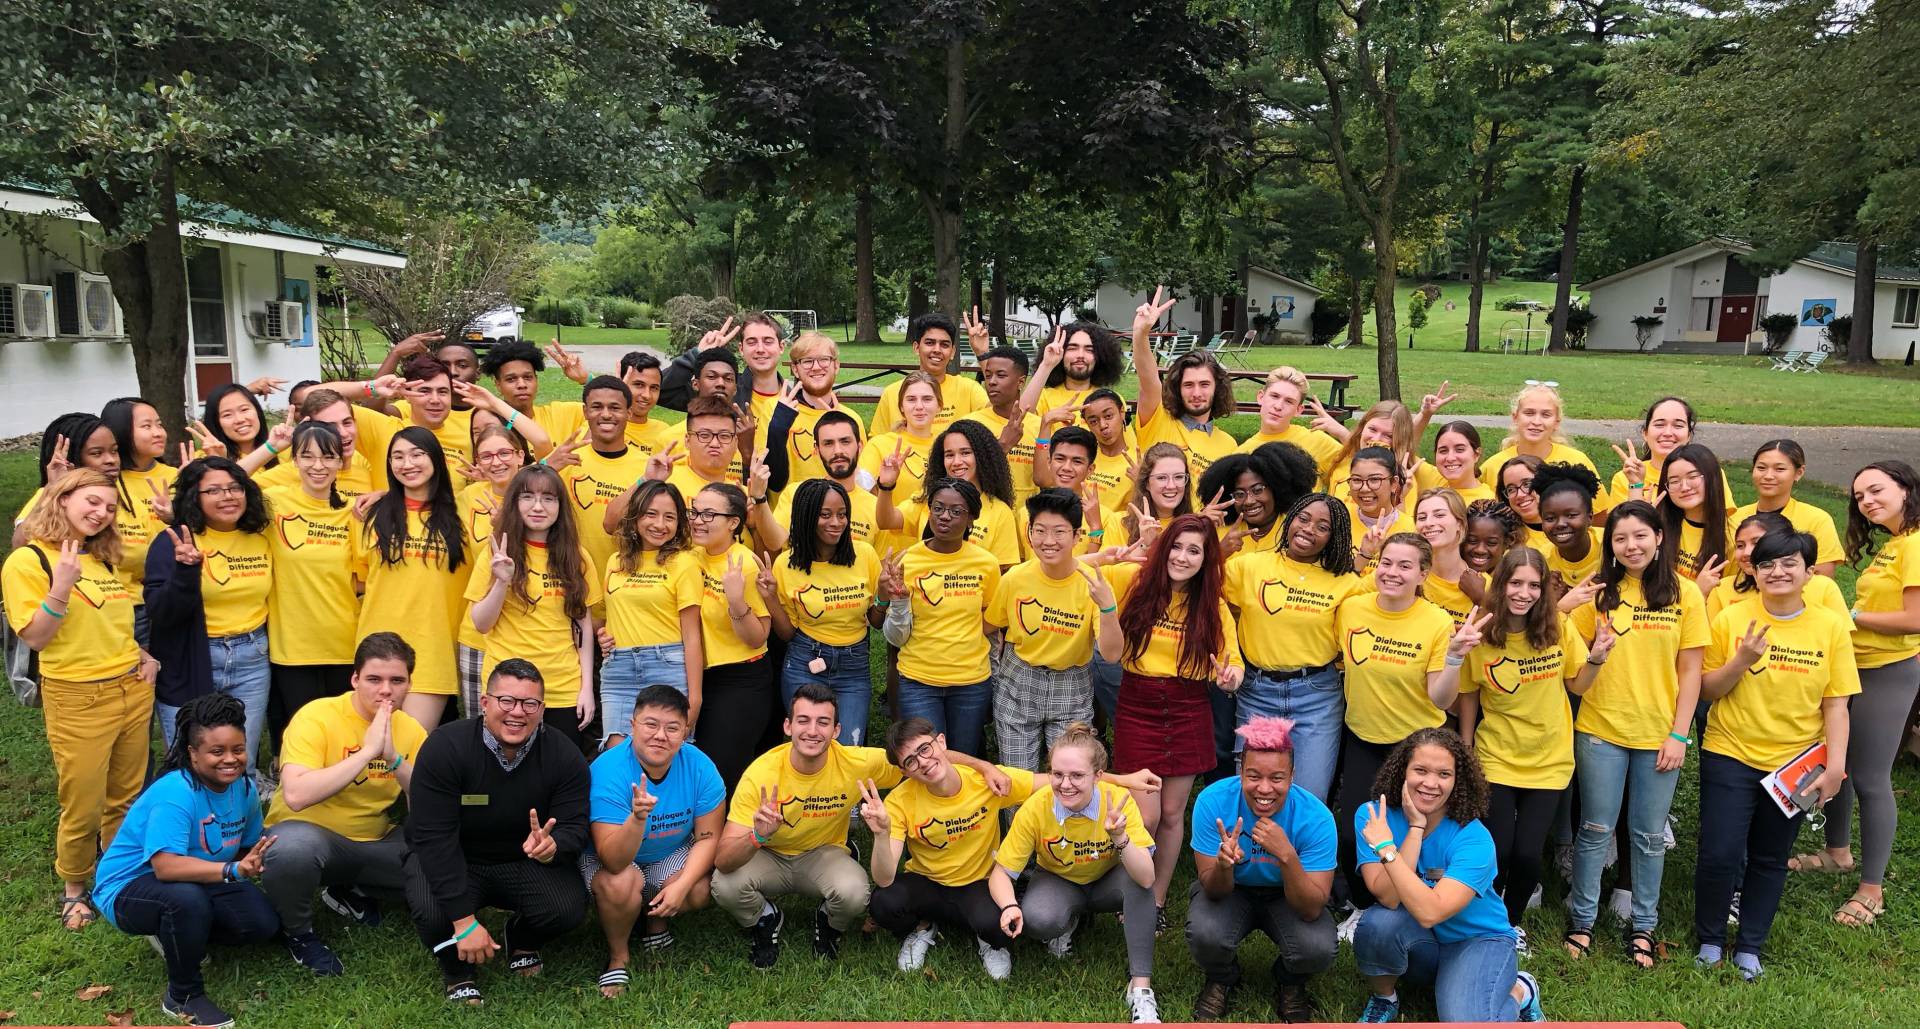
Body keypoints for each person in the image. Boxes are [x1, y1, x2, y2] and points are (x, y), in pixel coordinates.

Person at [710, 685, 991, 968]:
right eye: (803, 720)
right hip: (767, 853)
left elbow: (922, 757)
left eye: (823, 722)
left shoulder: (854, 762)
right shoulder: (760, 774)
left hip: (822, 853)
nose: (812, 731)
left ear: (836, 731)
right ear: (787, 726)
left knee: (855, 892)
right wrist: (757, 835)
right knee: (725, 884)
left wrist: (985, 768)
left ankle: (829, 922)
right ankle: (764, 918)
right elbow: (723, 859)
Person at [1694, 529, 1855, 978]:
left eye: (1789, 564)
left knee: (1769, 856)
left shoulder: (1830, 626)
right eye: (1767, 564)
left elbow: (1836, 703)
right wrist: (1741, 660)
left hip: (1794, 766)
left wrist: (1836, 767)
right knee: (1720, 852)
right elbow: (1708, 690)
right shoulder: (1731, 619)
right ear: (1755, 571)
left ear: (1809, 572)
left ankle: (1749, 946)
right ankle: (1708, 939)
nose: (1778, 572)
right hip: (1730, 751)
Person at [4, 468, 156, 930]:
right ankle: (74, 887)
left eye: (109, 507)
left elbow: (110, 623)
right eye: (91, 501)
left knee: (126, 795)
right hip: (78, 697)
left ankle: (117, 871)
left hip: (131, 688)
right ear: (62, 498)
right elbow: (37, 636)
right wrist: (61, 585)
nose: (101, 512)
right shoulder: (29, 562)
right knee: (83, 800)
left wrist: (145, 656)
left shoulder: (104, 558)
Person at [1563, 500, 1706, 968]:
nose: (1631, 546)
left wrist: (1679, 736)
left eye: (1640, 536)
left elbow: (1692, 670)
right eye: (1620, 538)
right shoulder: (1601, 594)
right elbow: (1573, 663)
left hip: (1659, 735)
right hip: (1601, 729)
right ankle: (1581, 920)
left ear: (1659, 538)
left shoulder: (1686, 594)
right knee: (1595, 829)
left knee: (1646, 835)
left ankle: (1644, 926)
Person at [402, 659, 591, 1005]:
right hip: (457, 856)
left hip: (521, 861)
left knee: (567, 908)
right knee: (433, 912)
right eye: (506, 700)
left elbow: (575, 826)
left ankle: (521, 936)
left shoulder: (564, 754)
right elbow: (432, 837)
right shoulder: (446, 748)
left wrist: (553, 845)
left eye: (529, 703)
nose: (517, 712)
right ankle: (457, 971)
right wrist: (463, 921)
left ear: (542, 709)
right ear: (485, 702)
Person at [92, 694, 279, 1029]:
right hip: (129, 886)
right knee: (184, 901)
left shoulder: (246, 788)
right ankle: (183, 994)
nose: (230, 760)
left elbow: (245, 847)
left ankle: (178, 933)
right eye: (217, 751)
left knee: (260, 924)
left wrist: (255, 860)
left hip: (197, 877)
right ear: (193, 754)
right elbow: (166, 867)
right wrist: (232, 871)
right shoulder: (176, 793)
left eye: (237, 749)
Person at [1455, 547, 1608, 947]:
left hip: (1550, 759)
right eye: (1516, 583)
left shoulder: (1556, 626)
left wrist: (1595, 660)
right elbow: (1468, 694)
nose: (1524, 593)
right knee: (1499, 851)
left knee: (1527, 855)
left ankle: (1510, 924)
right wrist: (1467, 746)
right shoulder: (1483, 633)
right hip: (1497, 756)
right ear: (1500, 585)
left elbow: (1576, 684)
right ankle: (1483, 920)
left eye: (1534, 585)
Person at [261, 632, 427, 976]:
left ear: (409, 684)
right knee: (293, 849)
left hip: (372, 842)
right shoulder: (317, 716)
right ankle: (299, 934)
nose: (385, 690)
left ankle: (349, 889)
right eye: (374, 679)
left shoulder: (411, 730)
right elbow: (296, 794)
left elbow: (425, 805)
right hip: (307, 836)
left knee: (439, 857)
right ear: (354, 679)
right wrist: (367, 752)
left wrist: (393, 758)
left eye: (397, 680)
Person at [1352, 728, 1544, 1024]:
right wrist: (1415, 830)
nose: (1430, 783)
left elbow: (1431, 912)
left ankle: (1521, 990)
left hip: (1476, 939)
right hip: (1420, 936)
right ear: (1403, 770)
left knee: (1468, 1021)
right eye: (1420, 770)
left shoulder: (1475, 838)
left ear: (1458, 781)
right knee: (1377, 924)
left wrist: (1388, 848)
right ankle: (1384, 997)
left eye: (1444, 774)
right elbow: (1389, 898)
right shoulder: (1373, 816)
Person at [1799, 460, 1920, 928]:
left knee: (1870, 778)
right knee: (1842, 766)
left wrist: (1852, 617)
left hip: (1888, 671)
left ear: (1906, 488)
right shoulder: (1895, 544)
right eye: (1860, 496)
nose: (1866, 501)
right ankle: (1838, 852)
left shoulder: (1914, 543)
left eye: (1876, 491)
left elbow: (1914, 618)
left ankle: (1872, 889)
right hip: (1858, 666)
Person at [1105, 514, 1244, 917]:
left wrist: (1230, 677)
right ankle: (1128, 888)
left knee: (1170, 813)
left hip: (1187, 706)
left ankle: (1158, 899)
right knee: (1144, 814)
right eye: (1177, 546)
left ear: (1206, 559)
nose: (1183, 557)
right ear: (1164, 547)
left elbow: (1234, 670)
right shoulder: (1132, 583)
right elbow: (1073, 570)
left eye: (1194, 551)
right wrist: (1105, 553)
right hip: (1138, 701)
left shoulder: (1212, 606)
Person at [990, 724, 1159, 1021]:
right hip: (1059, 879)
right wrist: (1008, 906)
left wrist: (1121, 837)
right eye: (1057, 774)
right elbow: (1002, 873)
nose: (1065, 784)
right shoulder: (1035, 807)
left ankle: (1141, 989)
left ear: (1098, 776)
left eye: (1077, 775)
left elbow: (1147, 877)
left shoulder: (1117, 800)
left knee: (1139, 884)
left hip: (1109, 880)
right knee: (1039, 919)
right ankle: (1069, 920)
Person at [1332, 532, 1455, 918]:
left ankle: (1417, 899)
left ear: (1423, 574)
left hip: (1415, 746)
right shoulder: (1351, 609)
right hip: (1362, 737)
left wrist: (1455, 660)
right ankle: (1362, 905)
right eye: (1386, 563)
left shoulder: (1436, 621)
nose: (1392, 573)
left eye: (1405, 566)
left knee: (1414, 828)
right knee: (1353, 832)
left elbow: (1441, 699)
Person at [1185, 718, 1338, 1023]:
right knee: (1205, 932)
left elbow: (1310, 909)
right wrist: (1223, 865)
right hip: (1233, 891)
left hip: (1287, 893)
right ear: (1240, 772)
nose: (1264, 789)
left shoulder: (1316, 817)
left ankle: (1290, 980)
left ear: (1293, 776)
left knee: (1318, 946)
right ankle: (1223, 976)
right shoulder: (1212, 801)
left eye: (1277, 778)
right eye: (1253, 776)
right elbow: (1213, 890)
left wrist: (1288, 856)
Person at [862, 718, 1034, 981]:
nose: (922, 762)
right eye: (910, 761)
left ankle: (988, 941)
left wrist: (1112, 783)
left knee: (1000, 927)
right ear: (905, 772)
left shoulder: (985, 780)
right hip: (927, 882)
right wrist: (882, 834)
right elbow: (884, 878)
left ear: (941, 742)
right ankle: (923, 927)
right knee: (884, 903)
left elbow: (1053, 784)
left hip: (978, 883)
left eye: (924, 749)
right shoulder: (899, 800)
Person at [584, 685, 726, 997]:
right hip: (617, 857)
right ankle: (618, 955)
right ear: (632, 726)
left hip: (668, 851)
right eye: (650, 724)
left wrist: (682, 884)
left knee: (699, 889)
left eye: (672, 727)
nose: (660, 735)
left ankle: (653, 923)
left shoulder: (700, 766)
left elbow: (708, 836)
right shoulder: (607, 770)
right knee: (621, 882)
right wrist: (636, 819)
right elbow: (613, 859)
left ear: (686, 732)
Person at [1221, 493, 1362, 804]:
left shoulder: (1348, 583)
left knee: (1309, 796)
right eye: (1304, 518)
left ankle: (1300, 853)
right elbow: (1208, 598)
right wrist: (1217, 551)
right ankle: (1248, 853)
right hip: (1257, 691)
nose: (1309, 529)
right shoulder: (1248, 567)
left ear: (1333, 537)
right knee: (1254, 793)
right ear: (1290, 519)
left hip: (1316, 696)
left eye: (1323, 526)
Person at [984, 488, 1123, 770]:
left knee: (1070, 776)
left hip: (1071, 686)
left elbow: (1111, 654)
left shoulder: (1092, 582)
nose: (1049, 541)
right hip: (1019, 680)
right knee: (1017, 778)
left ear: (1077, 536)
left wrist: (1108, 608)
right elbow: (990, 623)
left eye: (1059, 532)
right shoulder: (1015, 578)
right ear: (1029, 532)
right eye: (1040, 530)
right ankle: (1019, 818)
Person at [147, 457, 274, 766]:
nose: (228, 496)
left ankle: (237, 812)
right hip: (193, 657)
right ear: (194, 497)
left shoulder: (261, 536)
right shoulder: (173, 541)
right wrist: (185, 571)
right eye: (214, 490)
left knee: (239, 757)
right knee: (190, 761)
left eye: (235, 487)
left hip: (252, 657)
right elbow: (161, 611)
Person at [468, 465, 601, 752]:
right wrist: (501, 582)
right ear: (514, 503)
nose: (538, 507)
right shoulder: (495, 553)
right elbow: (480, 623)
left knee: (558, 775)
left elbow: (582, 625)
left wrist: (586, 688)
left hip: (562, 687)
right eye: (528, 497)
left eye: (549, 498)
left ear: (560, 506)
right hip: (507, 689)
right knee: (502, 771)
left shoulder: (577, 557)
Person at [354, 427, 469, 728]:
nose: (408, 464)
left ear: (436, 459)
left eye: (418, 454)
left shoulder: (464, 515)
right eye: (398, 457)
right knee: (374, 755)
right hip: (377, 650)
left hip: (433, 650)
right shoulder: (371, 514)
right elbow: (360, 580)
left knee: (410, 748)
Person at [884, 478, 1004, 756]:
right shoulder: (908, 561)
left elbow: (992, 619)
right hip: (918, 679)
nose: (945, 517)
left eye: (955, 511)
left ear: (972, 517)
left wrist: (967, 634)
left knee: (963, 756)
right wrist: (897, 600)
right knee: (927, 757)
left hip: (971, 682)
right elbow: (894, 634)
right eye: (938, 508)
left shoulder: (986, 564)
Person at [263, 422, 364, 750]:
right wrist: (268, 448)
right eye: (307, 456)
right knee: (300, 730)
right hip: (293, 644)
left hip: (343, 639)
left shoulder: (353, 511)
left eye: (327, 457)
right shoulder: (273, 503)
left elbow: (363, 578)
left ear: (341, 462)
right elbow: (221, 483)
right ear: (293, 460)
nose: (317, 466)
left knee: (342, 730)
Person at [763, 479, 883, 744]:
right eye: (825, 515)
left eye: (842, 515)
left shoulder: (865, 555)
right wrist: (771, 597)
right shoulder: (786, 565)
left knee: (850, 747)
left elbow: (876, 622)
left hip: (854, 665)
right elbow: (786, 633)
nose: (836, 522)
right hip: (805, 660)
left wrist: (884, 596)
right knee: (808, 743)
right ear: (806, 517)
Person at [600, 480, 703, 744]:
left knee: (665, 753)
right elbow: (610, 614)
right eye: (651, 514)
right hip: (618, 670)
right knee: (617, 758)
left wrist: (695, 698)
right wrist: (603, 634)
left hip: (667, 667)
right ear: (635, 517)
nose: (660, 524)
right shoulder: (615, 562)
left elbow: (691, 636)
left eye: (670, 517)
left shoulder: (684, 563)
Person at [687, 483, 775, 787]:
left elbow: (759, 636)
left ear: (733, 523)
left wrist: (737, 601)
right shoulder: (692, 556)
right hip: (698, 675)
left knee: (720, 771)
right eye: (695, 512)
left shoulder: (744, 563)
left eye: (710, 514)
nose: (698, 520)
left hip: (740, 679)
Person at [879, 419, 1024, 568]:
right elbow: (886, 521)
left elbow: (1000, 574)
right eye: (949, 455)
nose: (956, 462)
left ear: (982, 456)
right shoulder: (928, 498)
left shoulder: (1000, 512)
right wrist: (886, 486)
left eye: (965, 453)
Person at [1129, 287, 1236, 477]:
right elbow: (1148, 378)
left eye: (1204, 384)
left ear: (1217, 388)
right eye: (1188, 385)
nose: (1196, 393)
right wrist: (1140, 333)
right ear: (1178, 389)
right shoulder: (1158, 418)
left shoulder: (1228, 445)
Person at [556, 375, 652, 577]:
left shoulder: (647, 468)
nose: (606, 414)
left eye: (615, 408)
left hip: (626, 586)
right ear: (585, 411)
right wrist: (547, 465)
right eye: (597, 407)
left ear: (628, 412)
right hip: (574, 585)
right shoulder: (566, 461)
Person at [101, 397, 178, 629]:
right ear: (121, 432)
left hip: (173, 597)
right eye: (147, 426)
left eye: (160, 424)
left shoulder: (176, 475)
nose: (158, 432)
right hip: (126, 605)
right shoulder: (103, 481)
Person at [762, 332, 865, 488]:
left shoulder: (850, 418)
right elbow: (768, 478)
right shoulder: (775, 409)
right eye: (807, 361)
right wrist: (778, 428)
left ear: (836, 366)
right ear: (795, 369)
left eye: (824, 359)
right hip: (789, 509)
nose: (816, 367)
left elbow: (860, 480)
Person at [765, 410, 879, 548]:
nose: (838, 450)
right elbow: (774, 542)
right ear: (817, 450)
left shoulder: (876, 509)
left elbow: (880, 564)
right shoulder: (796, 493)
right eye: (828, 443)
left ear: (859, 447)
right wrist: (759, 499)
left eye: (845, 441)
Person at [1707, 512, 1849, 621]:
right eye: (1740, 546)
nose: (1746, 552)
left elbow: (1840, 643)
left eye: (1757, 543)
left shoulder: (1824, 588)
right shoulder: (1721, 589)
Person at [245, 388, 382, 500]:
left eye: (347, 423)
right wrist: (271, 448)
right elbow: (229, 484)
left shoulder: (366, 468)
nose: (344, 433)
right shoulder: (297, 472)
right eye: (330, 426)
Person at [1732, 439, 1842, 576]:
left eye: (1779, 469)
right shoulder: (1733, 518)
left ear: (1799, 473)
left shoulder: (1817, 520)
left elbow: (1822, 580)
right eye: (1761, 468)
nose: (1768, 476)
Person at [857, 372, 941, 548]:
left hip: (933, 552)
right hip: (888, 551)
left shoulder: (947, 447)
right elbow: (859, 494)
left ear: (939, 405)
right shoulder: (880, 445)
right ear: (901, 406)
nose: (919, 406)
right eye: (911, 399)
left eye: (927, 399)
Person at [1608, 395, 1735, 510]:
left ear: (1689, 435)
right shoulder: (1625, 478)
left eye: (1678, 426)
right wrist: (1636, 487)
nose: (1668, 433)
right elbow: (1622, 530)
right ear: (1645, 433)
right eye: (1659, 425)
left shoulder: (1708, 472)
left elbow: (1725, 523)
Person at [870, 313, 988, 432]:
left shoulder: (968, 389)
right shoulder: (892, 393)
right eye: (930, 343)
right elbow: (876, 441)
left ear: (952, 352)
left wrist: (982, 353)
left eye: (944, 345)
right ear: (916, 348)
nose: (937, 350)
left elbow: (999, 415)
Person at [1198, 442, 1320, 557]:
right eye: (1239, 494)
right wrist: (1220, 552)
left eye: (1257, 490)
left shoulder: (1296, 530)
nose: (1248, 501)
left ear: (1276, 488)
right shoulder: (1217, 530)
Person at [958, 343, 1042, 502]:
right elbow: (962, 477)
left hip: (1029, 517)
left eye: (1001, 375)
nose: (991, 382)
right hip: (986, 513)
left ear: (1021, 382)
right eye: (988, 375)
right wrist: (1002, 445)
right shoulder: (969, 425)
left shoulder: (1039, 427)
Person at [1475, 382, 1596, 488]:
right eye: (1529, 413)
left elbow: (1599, 513)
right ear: (1515, 417)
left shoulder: (1577, 463)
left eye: (1546, 415)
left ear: (1556, 422)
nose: (1536, 422)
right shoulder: (1493, 467)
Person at [1236, 367, 1343, 481]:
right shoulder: (1242, 453)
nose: (1278, 406)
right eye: (1274, 396)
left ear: (1298, 410)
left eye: (1289, 401)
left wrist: (1342, 433)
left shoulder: (1315, 440)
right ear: (1261, 397)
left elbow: (1359, 462)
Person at [1326, 401, 1444, 501]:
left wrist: (1425, 415)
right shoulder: (1340, 462)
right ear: (1362, 427)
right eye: (1372, 429)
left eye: (1388, 436)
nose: (1376, 439)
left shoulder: (1404, 481)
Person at [1654, 442, 1731, 581]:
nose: (1684, 487)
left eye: (1693, 477)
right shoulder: (1657, 528)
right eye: (1674, 481)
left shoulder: (1733, 537)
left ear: (1711, 477)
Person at [1533, 463, 1605, 606]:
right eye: (1550, 518)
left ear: (1590, 517)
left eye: (1571, 515)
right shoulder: (1540, 562)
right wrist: (1552, 604)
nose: (1560, 524)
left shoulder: (1611, 545)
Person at [1412, 488, 1484, 628]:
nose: (1428, 523)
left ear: (1460, 523)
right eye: (1421, 518)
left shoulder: (1483, 584)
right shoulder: (1407, 575)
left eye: (1439, 515)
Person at [1114, 442, 1198, 551]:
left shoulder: (1196, 527)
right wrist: (1144, 547)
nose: (1171, 486)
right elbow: (1104, 568)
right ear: (1147, 483)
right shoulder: (1118, 523)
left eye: (1178, 477)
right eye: (1162, 478)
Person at [1346, 448, 1417, 567]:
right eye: (1357, 480)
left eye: (1374, 480)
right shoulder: (1338, 518)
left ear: (1394, 484)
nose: (1364, 488)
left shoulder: (1412, 530)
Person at [199, 382, 275, 465]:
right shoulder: (203, 460)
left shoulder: (284, 451)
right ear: (215, 422)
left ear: (257, 411)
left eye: (244, 410)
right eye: (227, 415)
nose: (239, 420)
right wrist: (219, 463)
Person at [1432, 422, 1496, 504]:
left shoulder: (1486, 503)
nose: (1450, 458)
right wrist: (1425, 415)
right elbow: (1410, 451)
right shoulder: (1433, 479)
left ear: (1476, 454)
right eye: (1443, 451)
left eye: (1459, 450)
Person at [1495, 454, 1549, 550]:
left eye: (1527, 484)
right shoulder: (1504, 539)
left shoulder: (1575, 524)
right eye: (1511, 489)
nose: (1520, 494)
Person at [1463, 499, 1525, 580]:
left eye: (1491, 543)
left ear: (1510, 540)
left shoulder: (1516, 579)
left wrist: (1478, 593)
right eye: (1472, 540)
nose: (1480, 550)